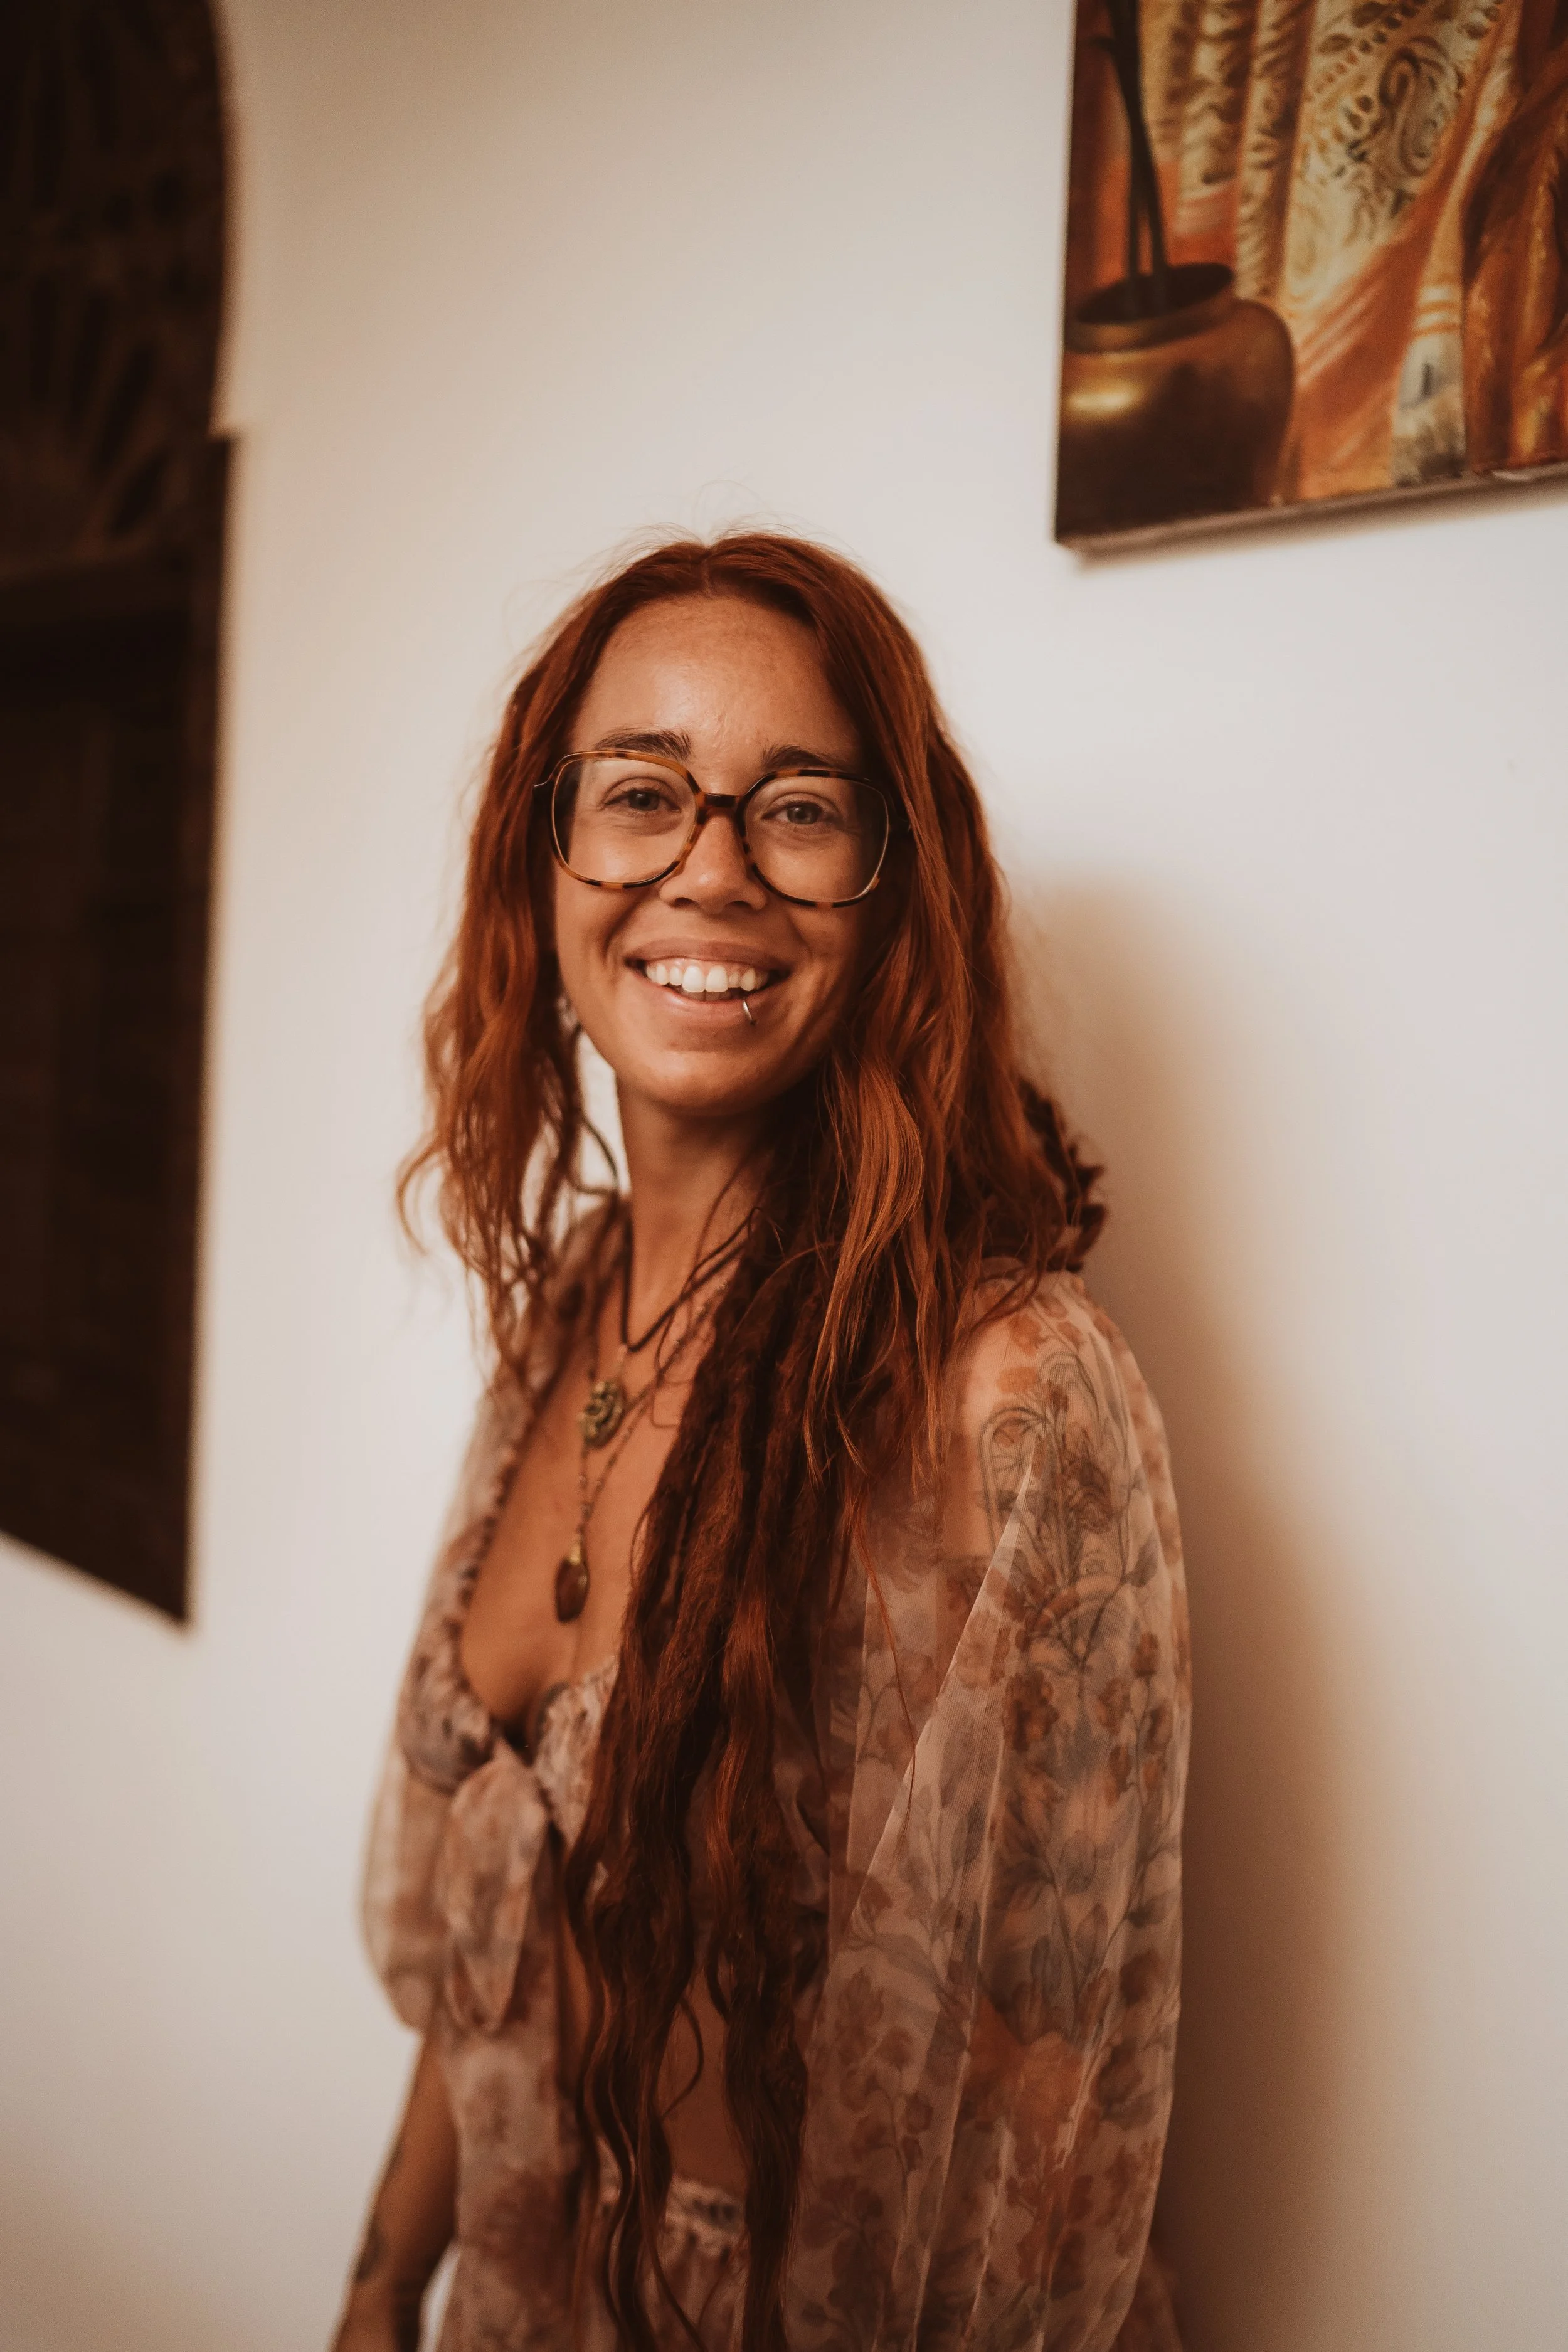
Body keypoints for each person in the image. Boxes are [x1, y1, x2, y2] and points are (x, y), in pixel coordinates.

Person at [332, 534, 1190, 2352]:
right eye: (640, 791)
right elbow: (505, 1974)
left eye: (796, 808)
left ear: (896, 885)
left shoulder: (1007, 1393)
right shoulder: (571, 1308)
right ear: (540, 860)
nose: (708, 868)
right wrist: (376, 2283)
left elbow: (1036, 2181)